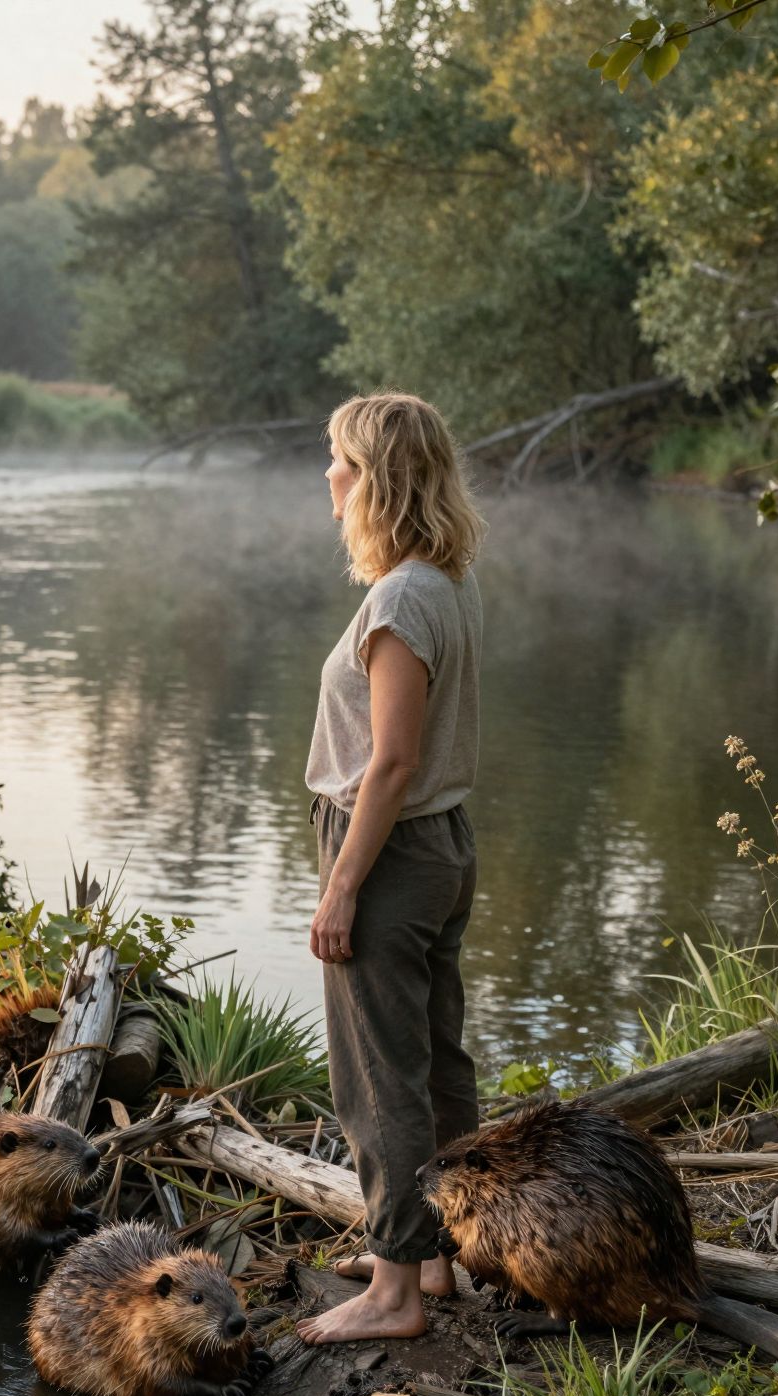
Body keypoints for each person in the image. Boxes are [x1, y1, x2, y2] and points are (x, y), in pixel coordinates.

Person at [297, 392, 485, 1345]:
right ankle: (432, 1255)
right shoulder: (443, 584)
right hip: (440, 843)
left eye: (339, 461)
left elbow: (393, 761)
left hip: (391, 851)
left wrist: (341, 887)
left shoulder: (403, 598)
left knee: (379, 1078)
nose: (328, 476)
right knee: (435, 1062)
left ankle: (397, 1294)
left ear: (376, 479)